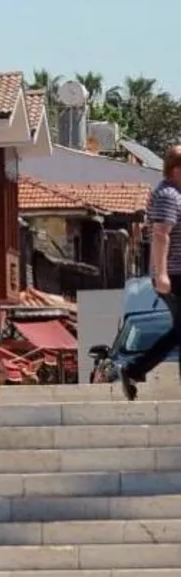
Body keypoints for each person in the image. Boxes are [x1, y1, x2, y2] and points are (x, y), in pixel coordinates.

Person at [120, 146, 181, 401]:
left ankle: (134, 370)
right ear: (177, 169)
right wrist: (161, 274)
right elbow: (160, 234)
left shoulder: (175, 193)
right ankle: (134, 369)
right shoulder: (168, 195)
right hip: (175, 273)